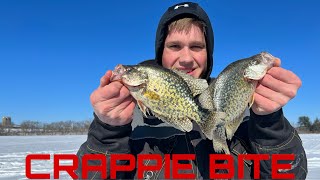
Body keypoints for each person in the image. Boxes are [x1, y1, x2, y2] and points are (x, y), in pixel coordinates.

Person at [76, 2, 307, 179]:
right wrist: (108, 132)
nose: (186, 58)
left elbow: (290, 174)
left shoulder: (245, 107)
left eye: (197, 46)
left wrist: (270, 123)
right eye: (174, 46)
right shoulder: (129, 116)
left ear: (208, 54)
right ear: (161, 53)